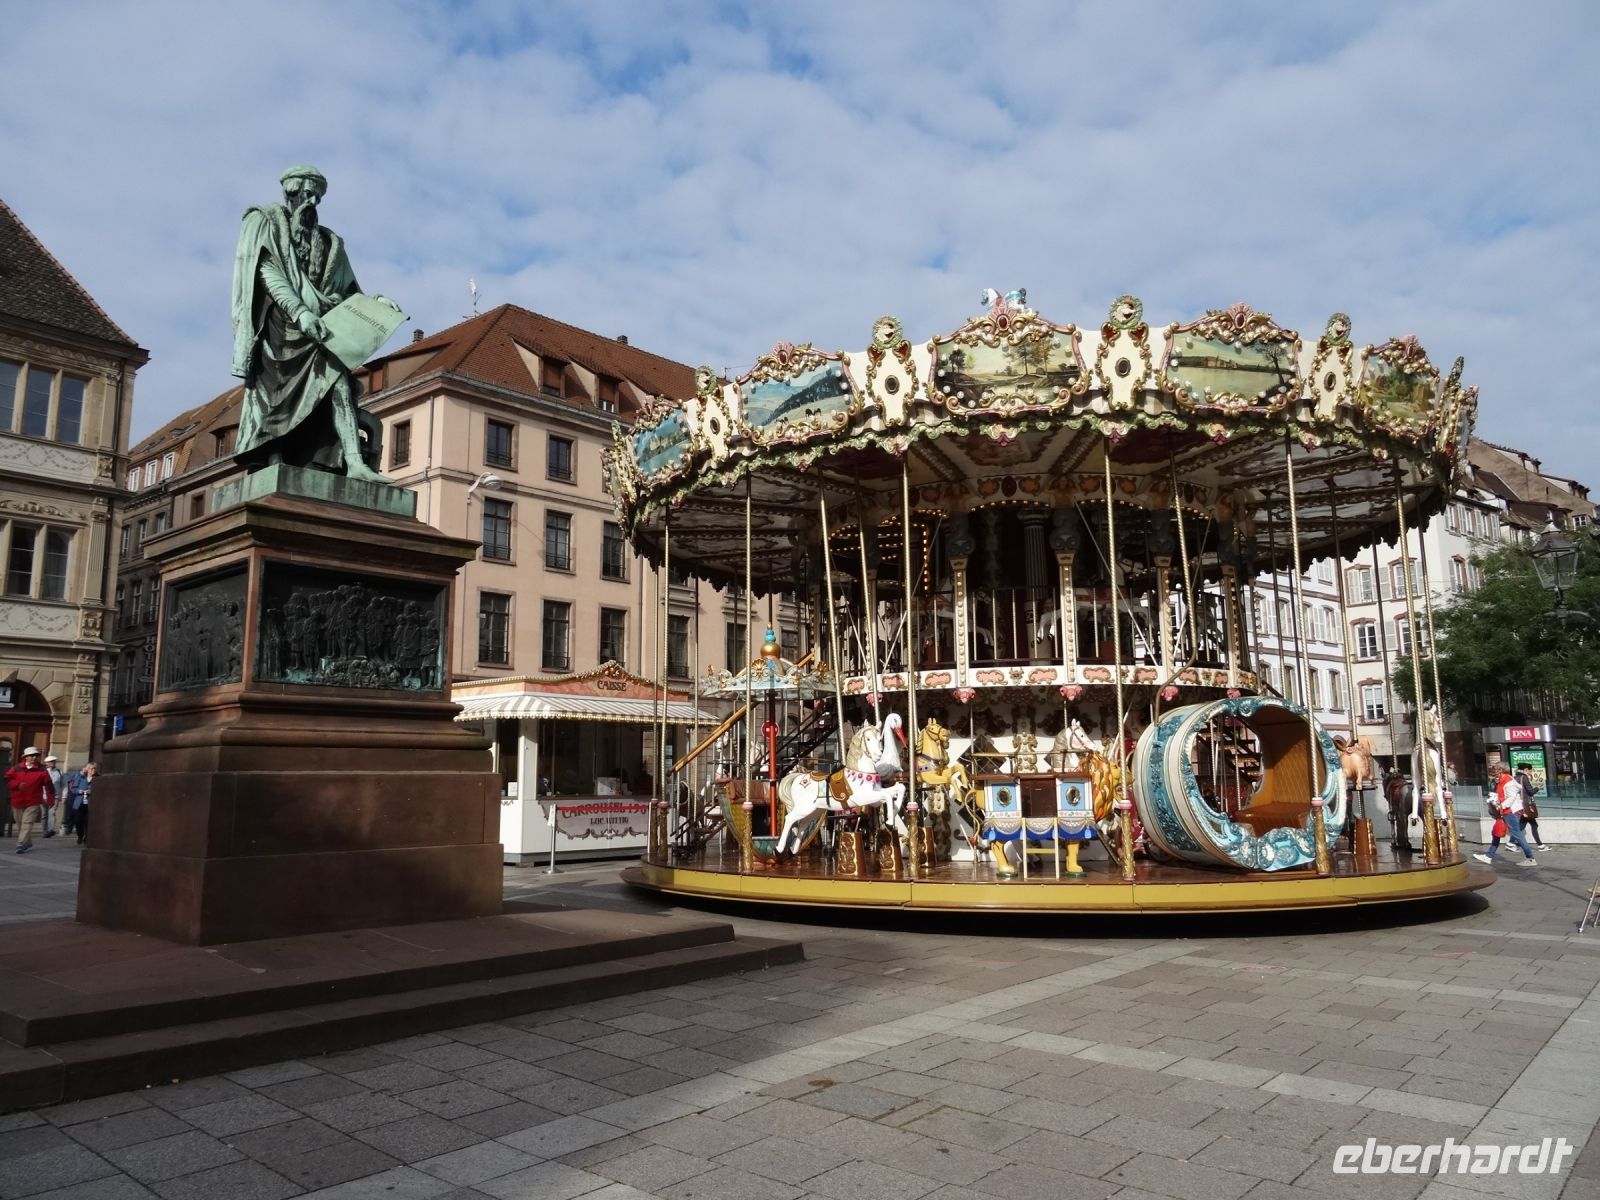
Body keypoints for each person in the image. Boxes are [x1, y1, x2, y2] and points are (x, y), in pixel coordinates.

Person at [231, 165, 387, 481]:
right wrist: (300, 311)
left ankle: (354, 463)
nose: (312, 201)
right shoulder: (265, 221)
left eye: (317, 196)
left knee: (339, 382)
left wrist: (378, 304)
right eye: (306, 193)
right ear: (290, 191)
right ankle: (274, 455)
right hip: (281, 326)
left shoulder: (330, 242)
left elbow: (348, 292)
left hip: (322, 328)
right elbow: (267, 272)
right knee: (275, 397)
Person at [1473, 768, 1536, 867]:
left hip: (1509, 811)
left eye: (1495, 777)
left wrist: (1501, 805)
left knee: (1516, 834)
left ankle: (1530, 858)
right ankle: (1489, 856)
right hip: (1507, 810)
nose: (1494, 780)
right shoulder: (1504, 781)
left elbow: (1511, 798)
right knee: (1497, 832)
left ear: (1500, 774)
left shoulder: (1508, 783)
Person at [5, 747, 53, 854]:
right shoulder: (16, 768)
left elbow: (49, 785)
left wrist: (51, 800)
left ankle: (20, 844)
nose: (34, 757)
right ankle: (28, 842)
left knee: (27, 823)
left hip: (33, 801)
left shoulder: (42, 769)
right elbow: (7, 779)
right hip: (17, 801)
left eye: (36, 755)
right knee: (21, 824)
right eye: (32, 755)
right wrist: (17, 785)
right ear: (25, 757)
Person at [1514, 764, 1550, 851]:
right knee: (1533, 825)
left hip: (1520, 804)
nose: (1531, 772)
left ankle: (1514, 843)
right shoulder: (1524, 777)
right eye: (1530, 770)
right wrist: (1537, 788)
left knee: (1522, 825)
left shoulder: (1515, 777)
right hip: (1527, 805)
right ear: (1526, 769)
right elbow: (1530, 792)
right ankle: (1540, 845)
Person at [65, 762, 96, 846]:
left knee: (88, 821)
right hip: (79, 802)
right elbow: (73, 789)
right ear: (88, 769)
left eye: (94, 768)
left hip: (90, 803)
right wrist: (79, 791)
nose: (94, 770)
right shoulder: (81, 777)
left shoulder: (97, 779)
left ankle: (87, 837)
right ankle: (80, 835)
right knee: (78, 821)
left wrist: (91, 791)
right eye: (92, 768)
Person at [41, 754, 64, 838]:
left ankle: (50, 830)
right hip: (43, 796)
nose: (53, 763)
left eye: (54, 761)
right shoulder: (43, 771)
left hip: (55, 796)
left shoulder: (59, 772)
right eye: (51, 761)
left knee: (52, 813)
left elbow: (63, 784)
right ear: (46, 763)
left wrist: (63, 796)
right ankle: (45, 831)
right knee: (44, 814)